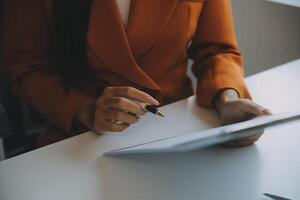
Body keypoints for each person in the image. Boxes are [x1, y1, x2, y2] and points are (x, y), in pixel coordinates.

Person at [1, 0, 271, 148]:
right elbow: (26, 68)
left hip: (178, 131)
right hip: (79, 139)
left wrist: (227, 99)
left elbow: (216, 49)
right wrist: (85, 110)